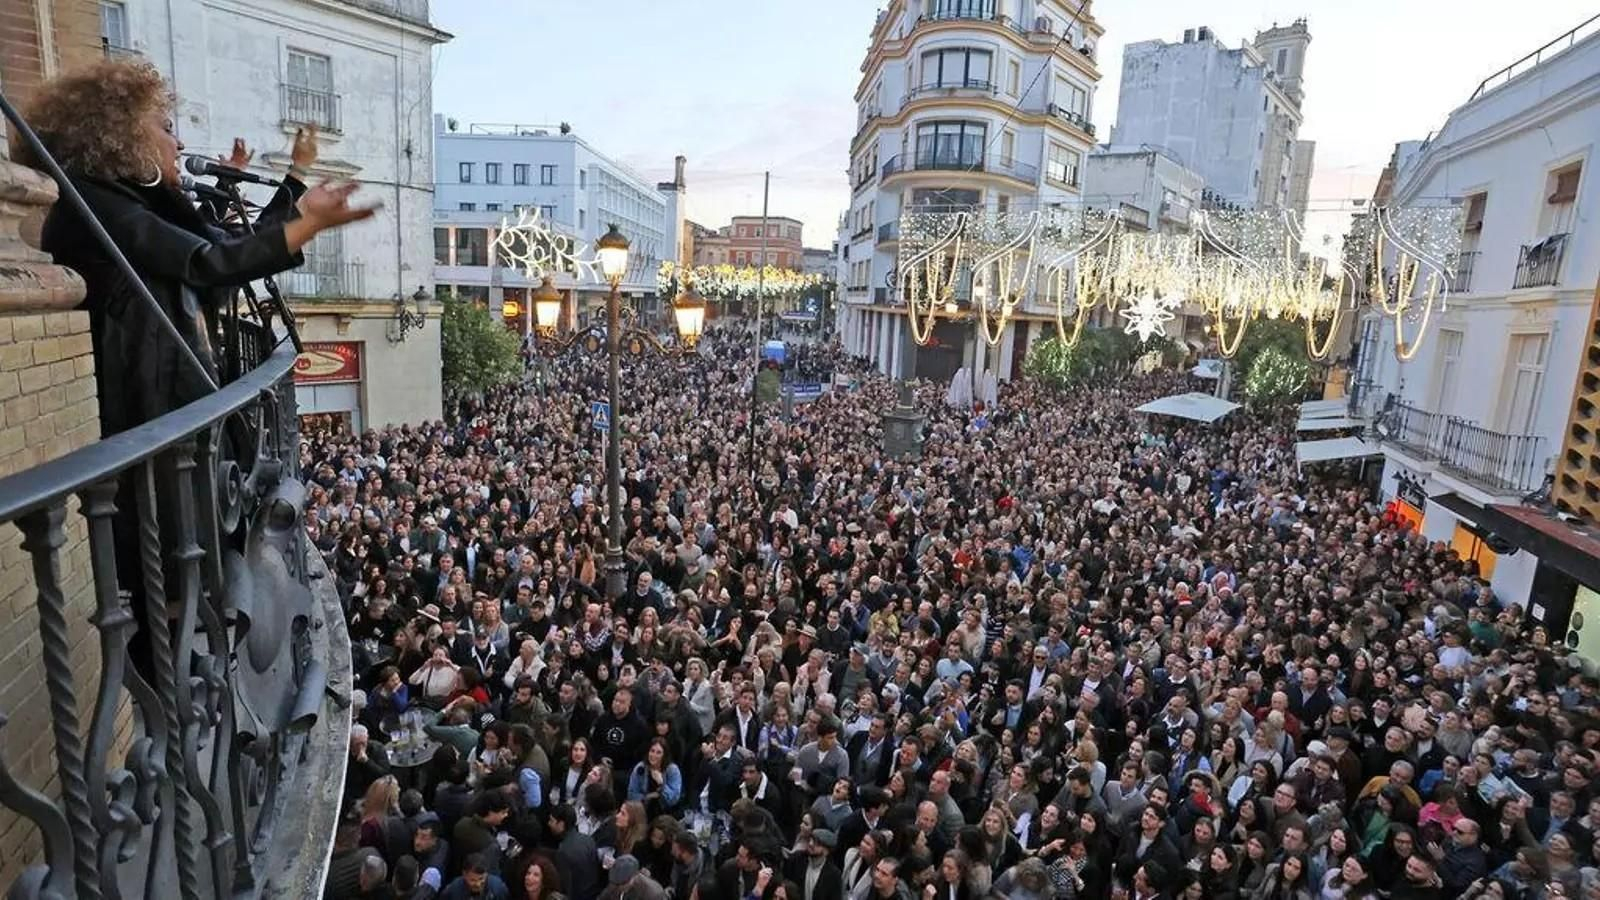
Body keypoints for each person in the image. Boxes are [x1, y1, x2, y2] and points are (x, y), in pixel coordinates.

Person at [440, 855, 509, 900]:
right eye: (473, 880)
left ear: (487, 874)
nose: (478, 884)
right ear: (464, 875)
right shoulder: (454, 889)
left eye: (481, 878)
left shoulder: (497, 888)